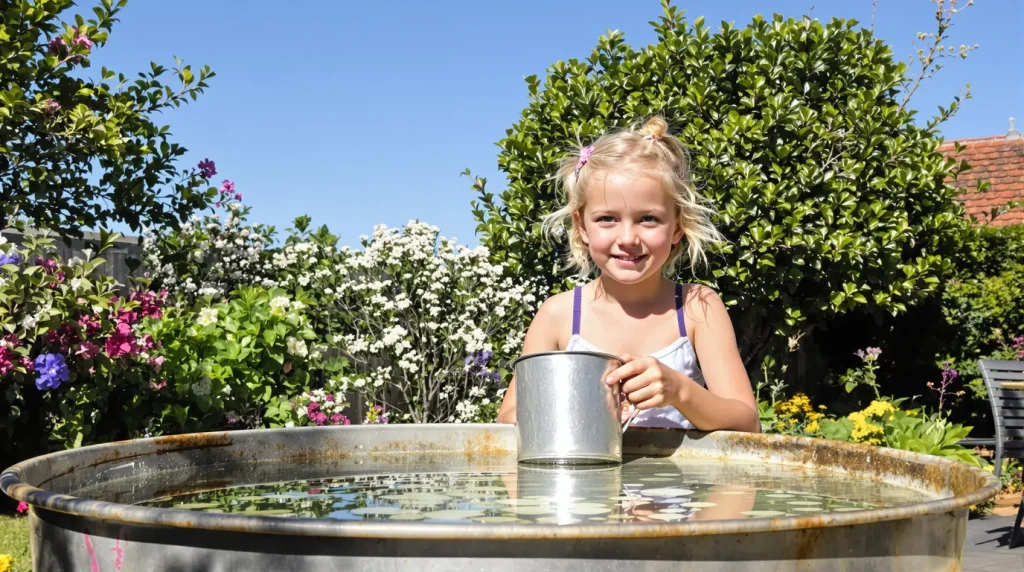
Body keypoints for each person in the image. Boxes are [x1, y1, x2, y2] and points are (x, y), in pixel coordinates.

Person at [496, 116, 759, 433]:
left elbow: (747, 422)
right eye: (607, 219)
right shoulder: (559, 314)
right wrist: (582, 406)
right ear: (582, 227)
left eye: (648, 218)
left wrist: (679, 390)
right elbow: (508, 417)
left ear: (676, 227)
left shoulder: (696, 307)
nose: (628, 238)